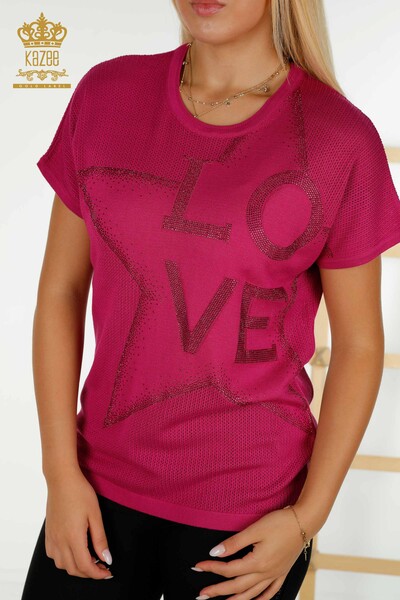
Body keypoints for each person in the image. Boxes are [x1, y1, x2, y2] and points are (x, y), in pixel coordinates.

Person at [21, 0, 400, 599]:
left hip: (247, 518)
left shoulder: (339, 139)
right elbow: (61, 290)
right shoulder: (106, 95)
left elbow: (358, 344)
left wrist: (306, 519)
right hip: (94, 493)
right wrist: (60, 473)